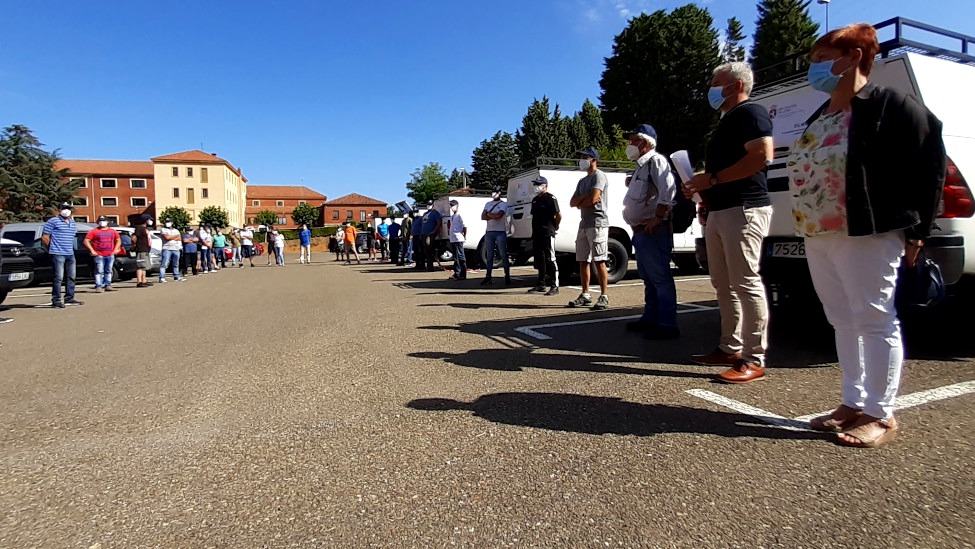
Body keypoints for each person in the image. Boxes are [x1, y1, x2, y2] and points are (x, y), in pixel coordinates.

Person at [790, 24, 945, 447]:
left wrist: (918, 232)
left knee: (874, 319)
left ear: (854, 57)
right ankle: (852, 402)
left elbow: (930, 164)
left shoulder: (890, 106)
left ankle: (880, 411)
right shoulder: (821, 114)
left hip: (869, 230)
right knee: (842, 319)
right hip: (820, 233)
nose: (815, 68)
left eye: (822, 59)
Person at [682, 61, 774, 384]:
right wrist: (703, 191)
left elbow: (762, 156)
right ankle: (730, 346)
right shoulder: (726, 121)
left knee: (745, 282)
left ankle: (754, 357)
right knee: (723, 283)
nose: (711, 88)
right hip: (721, 211)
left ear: (736, 86)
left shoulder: (751, 114)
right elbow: (717, 176)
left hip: (744, 208)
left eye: (715, 82)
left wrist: (713, 179)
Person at [622, 124, 680, 340]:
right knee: (649, 279)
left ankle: (667, 324)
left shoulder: (656, 161)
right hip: (641, 232)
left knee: (660, 278)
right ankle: (651, 318)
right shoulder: (641, 166)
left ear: (645, 142)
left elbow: (668, 190)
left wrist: (657, 217)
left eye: (634, 140)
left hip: (653, 230)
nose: (630, 144)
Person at [568, 147, 610, 309]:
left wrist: (583, 200)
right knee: (582, 260)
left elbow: (593, 199)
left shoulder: (599, 176)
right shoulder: (582, 181)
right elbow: (573, 202)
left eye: (585, 157)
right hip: (584, 223)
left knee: (599, 260)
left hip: (598, 222)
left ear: (593, 159)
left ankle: (604, 295)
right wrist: (583, 199)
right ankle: (585, 294)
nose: (582, 160)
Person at [41, 202, 84, 308]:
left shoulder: (72, 222)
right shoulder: (53, 221)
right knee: (58, 277)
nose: (66, 210)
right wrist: (52, 249)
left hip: (70, 253)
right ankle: (56, 299)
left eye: (68, 208)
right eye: (64, 208)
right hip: (57, 253)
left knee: (71, 277)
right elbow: (45, 237)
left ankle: (69, 298)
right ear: (59, 210)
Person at [528, 177, 560, 295]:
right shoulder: (535, 199)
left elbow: (558, 214)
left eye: (538, 184)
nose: (536, 186)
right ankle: (541, 284)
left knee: (550, 258)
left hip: (547, 232)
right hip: (537, 233)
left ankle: (554, 285)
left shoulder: (551, 198)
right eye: (535, 184)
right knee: (539, 259)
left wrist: (554, 226)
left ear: (545, 185)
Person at [83, 215, 121, 293]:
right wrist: (92, 250)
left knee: (109, 270)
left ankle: (108, 285)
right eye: (100, 220)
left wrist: (116, 249)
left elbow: (118, 240)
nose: (102, 222)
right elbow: (86, 241)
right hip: (99, 255)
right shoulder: (94, 231)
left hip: (110, 254)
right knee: (99, 271)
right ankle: (98, 286)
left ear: (107, 222)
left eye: (104, 220)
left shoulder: (112, 231)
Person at [481, 190, 511, 286]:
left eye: (496, 192)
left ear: (499, 193)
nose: (494, 194)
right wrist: (491, 215)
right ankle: (488, 276)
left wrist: (489, 214)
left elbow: (499, 216)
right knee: (489, 256)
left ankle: (507, 275)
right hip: (489, 232)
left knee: (503, 254)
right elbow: (482, 216)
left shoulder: (503, 204)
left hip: (500, 232)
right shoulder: (488, 204)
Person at [158, 218, 185, 283]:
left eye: (169, 222)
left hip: (176, 248)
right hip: (167, 248)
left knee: (176, 264)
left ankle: (176, 276)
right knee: (164, 264)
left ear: (172, 223)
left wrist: (171, 237)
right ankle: (162, 277)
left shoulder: (176, 230)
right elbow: (167, 238)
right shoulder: (163, 229)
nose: (168, 223)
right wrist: (174, 237)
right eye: (166, 222)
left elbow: (179, 238)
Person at [447, 200, 467, 280]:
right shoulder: (453, 216)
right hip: (453, 239)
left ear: (457, 206)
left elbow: (464, 227)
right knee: (456, 258)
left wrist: (464, 236)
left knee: (461, 256)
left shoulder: (460, 215)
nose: (451, 207)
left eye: (453, 205)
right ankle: (457, 273)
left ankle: (463, 274)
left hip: (458, 239)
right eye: (451, 206)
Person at [132, 214, 154, 288]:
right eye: (149, 219)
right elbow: (134, 237)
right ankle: (139, 281)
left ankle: (144, 280)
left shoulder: (145, 228)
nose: (151, 221)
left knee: (144, 266)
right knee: (140, 266)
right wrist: (135, 245)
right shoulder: (139, 228)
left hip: (146, 249)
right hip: (141, 249)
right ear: (145, 220)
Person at [421, 207, 443, 272]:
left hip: (430, 235)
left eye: (430, 204)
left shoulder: (435, 213)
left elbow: (439, 222)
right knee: (426, 251)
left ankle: (430, 267)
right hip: (424, 234)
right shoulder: (425, 213)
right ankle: (428, 266)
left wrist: (434, 231)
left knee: (430, 250)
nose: (428, 206)